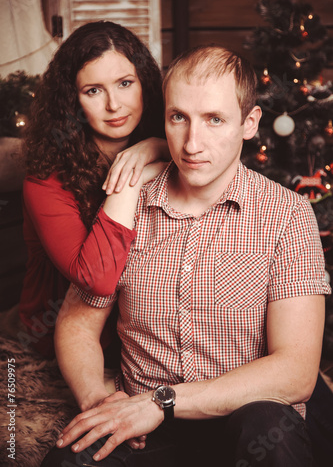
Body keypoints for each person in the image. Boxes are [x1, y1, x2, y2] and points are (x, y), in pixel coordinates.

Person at [42, 45, 330, 466]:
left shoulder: (286, 214)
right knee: (68, 460)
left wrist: (161, 402)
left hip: (245, 419)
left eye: (215, 119)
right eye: (179, 118)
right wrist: (99, 399)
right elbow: (77, 325)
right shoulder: (128, 207)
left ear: (249, 123)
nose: (193, 143)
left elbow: (296, 371)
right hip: (146, 427)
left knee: (272, 425)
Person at [18, 20, 168, 358]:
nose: (114, 105)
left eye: (125, 83)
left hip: (145, 323)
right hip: (65, 332)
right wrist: (137, 175)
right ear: (73, 102)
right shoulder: (45, 176)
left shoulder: (161, 144)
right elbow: (96, 280)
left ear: (144, 83)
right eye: (93, 91)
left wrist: (153, 148)